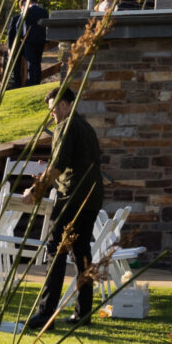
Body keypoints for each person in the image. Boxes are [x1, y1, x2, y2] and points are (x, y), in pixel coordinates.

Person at [22, 86, 106, 331]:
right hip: (92, 198)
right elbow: (72, 162)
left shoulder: (65, 126)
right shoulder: (86, 127)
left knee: (55, 250)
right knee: (81, 253)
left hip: (72, 198)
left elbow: (59, 165)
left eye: (54, 109)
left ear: (66, 105)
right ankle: (83, 313)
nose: (52, 115)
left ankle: (45, 314)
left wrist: (35, 190)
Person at [5, 0, 50, 86]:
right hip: (41, 41)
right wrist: (46, 40)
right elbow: (48, 26)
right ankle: (37, 81)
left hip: (29, 41)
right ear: (37, 1)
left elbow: (18, 25)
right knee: (37, 62)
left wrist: (22, 36)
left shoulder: (27, 11)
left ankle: (31, 81)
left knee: (31, 62)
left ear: (29, 2)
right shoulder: (44, 11)